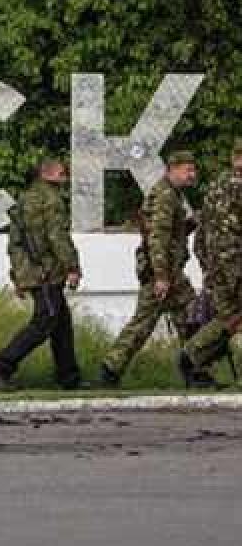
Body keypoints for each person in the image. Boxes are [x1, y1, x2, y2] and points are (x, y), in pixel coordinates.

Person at [100, 151, 200, 387]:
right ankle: (110, 369)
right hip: (163, 274)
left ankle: (196, 370)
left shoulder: (172, 194)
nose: (192, 175)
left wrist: (191, 224)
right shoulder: (165, 195)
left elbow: (170, 234)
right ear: (172, 169)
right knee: (144, 324)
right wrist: (161, 276)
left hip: (171, 273)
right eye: (188, 170)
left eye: (193, 170)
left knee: (191, 318)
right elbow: (157, 239)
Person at [0, 159, 84, 391]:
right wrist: (72, 266)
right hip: (46, 272)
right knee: (45, 321)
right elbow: (57, 237)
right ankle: (2, 365)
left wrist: (18, 275)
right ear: (46, 174)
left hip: (33, 270)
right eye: (62, 171)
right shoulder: (51, 200)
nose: (66, 174)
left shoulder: (26, 198)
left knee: (60, 323)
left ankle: (69, 378)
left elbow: (15, 242)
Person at [179, 141, 242, 386]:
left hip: (218, 265)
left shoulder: (215, 187)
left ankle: (194, 357)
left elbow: (201, 234)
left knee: (229, 316)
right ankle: (192, 353)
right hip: (236, 261)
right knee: (231, 317)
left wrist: (208, 265)